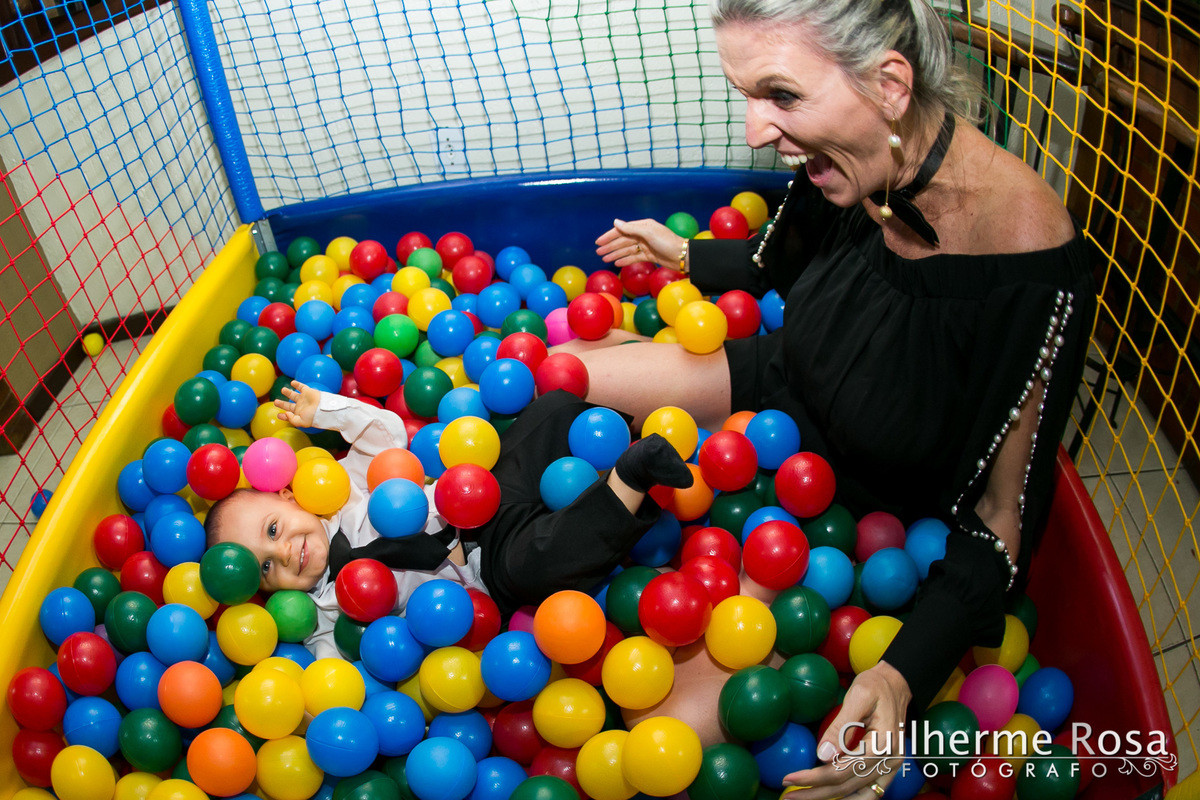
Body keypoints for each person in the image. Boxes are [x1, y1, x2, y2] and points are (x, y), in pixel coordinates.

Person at [573, 0, 1095, 795]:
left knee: (650, 744)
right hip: (780, 386)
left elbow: (1001, 520)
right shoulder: (848, 158)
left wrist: (898, 676)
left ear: (889, 84)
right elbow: (774, 260)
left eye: (780, 96)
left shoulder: (1026, 259)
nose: (755, 130)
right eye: (747, 96)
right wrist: (683, 252)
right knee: (563, 370)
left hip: (850, 515)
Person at [203, 381, 693, 660]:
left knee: (549, 411)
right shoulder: (324, 615)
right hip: (490, 574)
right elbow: (340, 670)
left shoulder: (338, 492)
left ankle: (621, 428)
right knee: (537, 566)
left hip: (480, 501)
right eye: (266, 567)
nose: (285, 551)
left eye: (272, 530)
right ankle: (630, 476)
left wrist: (326, 412)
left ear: (288, 497)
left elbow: (387, 431)